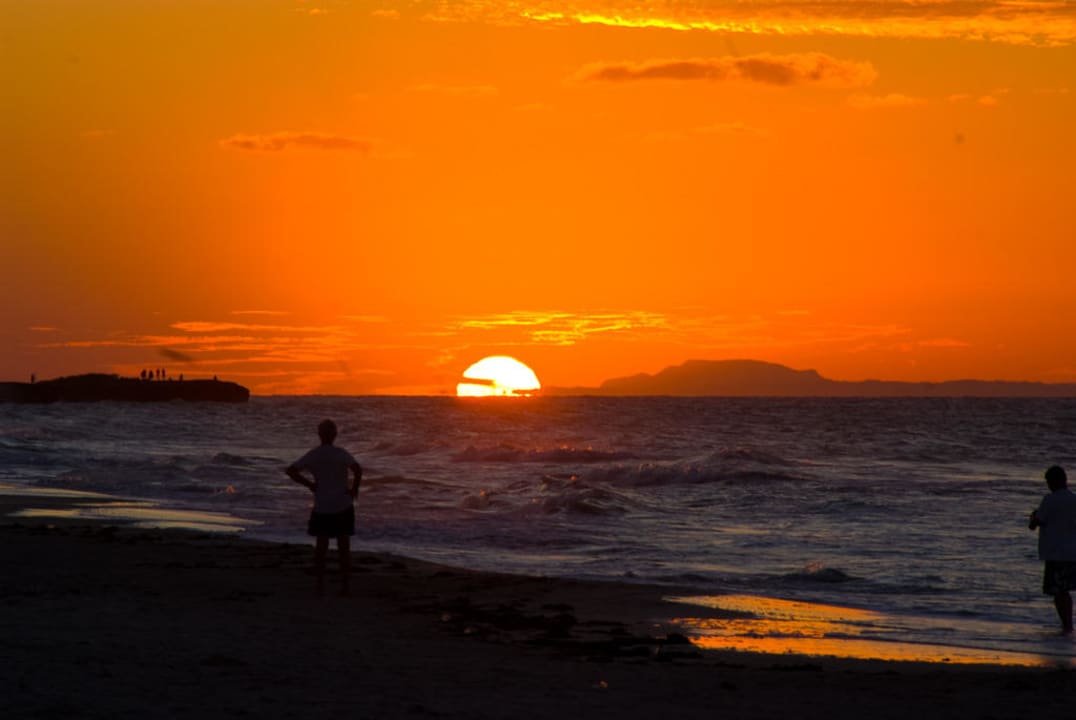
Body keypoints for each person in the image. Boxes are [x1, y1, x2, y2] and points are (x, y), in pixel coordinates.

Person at [287, 419, 363, 596]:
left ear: (319, 435)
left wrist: (310, 485)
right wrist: (354, 490)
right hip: (342, 505)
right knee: (344, 547)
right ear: (335, 435)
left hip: (322, 506)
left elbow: (291, 471)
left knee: (321, 547)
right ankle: (345, 587)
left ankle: (320, 586)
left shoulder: (314, 454)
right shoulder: (340, 453)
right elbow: (357, 469)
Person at [1028, 465, 1076, 634]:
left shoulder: (1049, 499)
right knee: (1065, 591)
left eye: (1048, 481)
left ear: (1054, 481)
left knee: (1058, 592)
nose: (1048, 484)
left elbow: (1035, 524)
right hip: (1071, 552)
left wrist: (1033, 516)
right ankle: (1068, 625)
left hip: (1055, 552)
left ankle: (1067, 625)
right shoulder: (1073, 499)